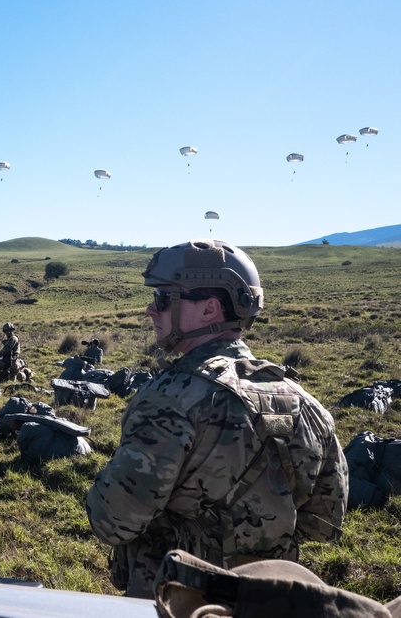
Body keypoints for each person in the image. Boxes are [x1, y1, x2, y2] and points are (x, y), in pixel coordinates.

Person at [86, 239, 347, 599]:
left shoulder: (169, 398)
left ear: (210, 309)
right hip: (270, 600)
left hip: (178, 601)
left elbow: (112, 520)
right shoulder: (310, 406)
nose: (151, 309)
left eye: (164, 298)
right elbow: (324, 523)